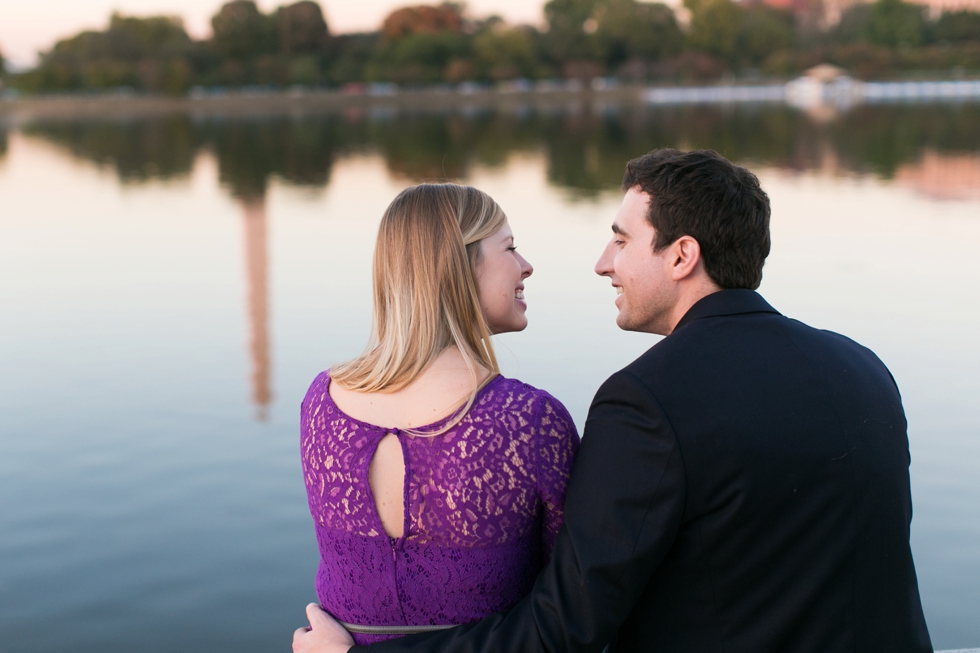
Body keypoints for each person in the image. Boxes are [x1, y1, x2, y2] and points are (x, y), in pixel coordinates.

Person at [294, 149, 932, 653]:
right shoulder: (863, 367)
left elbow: (569, 623)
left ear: (682, 255)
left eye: (622, 240)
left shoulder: (647, 401)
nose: (602, 263)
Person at [298, 183, 580, 647]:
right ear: (459, 266)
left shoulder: (321, 402)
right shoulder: (528, 422)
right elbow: (567, 601)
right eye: (509, 248)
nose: (527, 265)